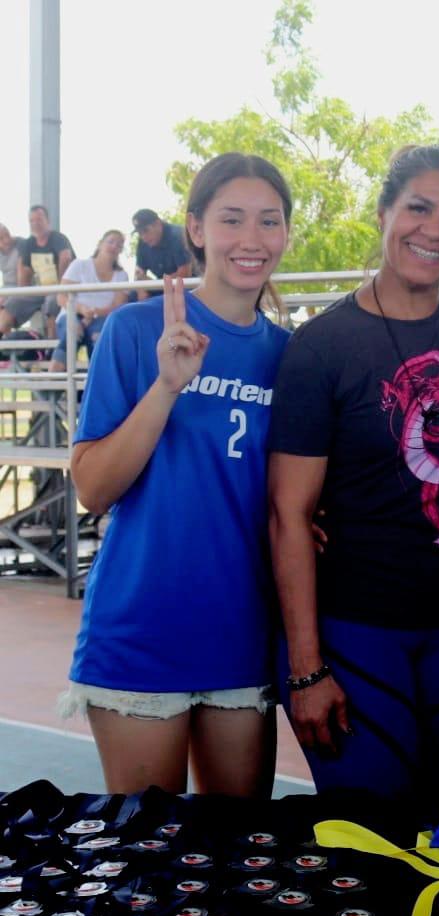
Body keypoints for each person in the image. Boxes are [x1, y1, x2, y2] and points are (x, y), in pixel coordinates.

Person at [268, 145, 439, 812]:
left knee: (431, 825)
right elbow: (289, 516)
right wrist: (307, 668)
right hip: (356, 633)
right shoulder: (322, 347)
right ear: (383, 213)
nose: (435, 231)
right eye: (419, 208)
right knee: (367, 835)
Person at [62, 153, 293, 798]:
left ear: (285, 234)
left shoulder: (289, 355)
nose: (251, 239)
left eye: (268, 221)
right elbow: (92, 488)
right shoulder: (136, 331)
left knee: (237, 858)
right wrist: (166, 387)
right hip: (142, 631)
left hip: (241, 634)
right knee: (147, 863)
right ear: (195, 229)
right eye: (231, 219)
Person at [52, 229, 129, 368]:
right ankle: (55, 377)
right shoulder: (79, 265)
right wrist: (82, 310)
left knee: (99, 335)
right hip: (72, 313)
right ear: (100, 243)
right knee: (73, 330)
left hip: (101, 319)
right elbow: (61, 297)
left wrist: (93, 314)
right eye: (111, 241)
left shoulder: (121, 275)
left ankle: (96, 378)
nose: (114, 246)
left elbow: (118, 305)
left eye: (119, 245)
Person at [0, 205, 74, 336]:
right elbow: (25, 270)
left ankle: (51, 347)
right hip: (40, 289)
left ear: (47, 221)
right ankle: (4, 345)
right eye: (32, 221)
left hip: (60, 288)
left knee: (52, 301)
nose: (35, 224)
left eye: (39, 220)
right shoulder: (29, 243)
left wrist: (61, 287)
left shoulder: (58, 238)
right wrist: (23, 293)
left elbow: (65, 258)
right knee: (13, 302)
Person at [133, 208, 193, 289]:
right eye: (140, 233)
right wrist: (142, 295)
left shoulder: (177, 235)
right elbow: (139, 275)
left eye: (145, 230)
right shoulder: (142, 242)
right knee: (133, 296)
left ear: (158, 223)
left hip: (189, 287)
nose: (143, 237)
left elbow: (184, 275)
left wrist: (153, 283)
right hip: (162, 287)